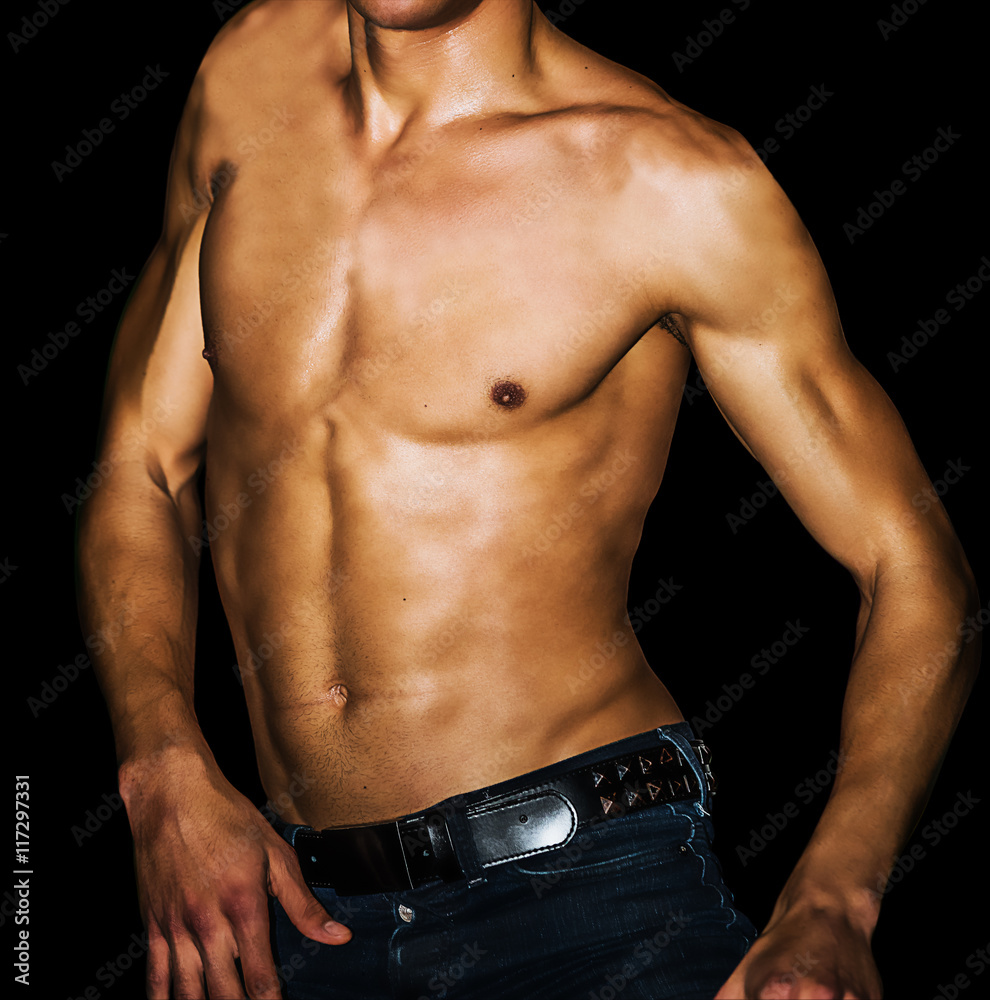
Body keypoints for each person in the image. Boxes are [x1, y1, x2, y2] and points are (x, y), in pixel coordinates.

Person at [76, 1, 979, 998]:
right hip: (290, 917)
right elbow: (142, 461)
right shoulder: (248, 75)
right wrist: (158, 762)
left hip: (589, 903)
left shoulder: (665, 182)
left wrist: (832, 897)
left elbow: (913, 567)